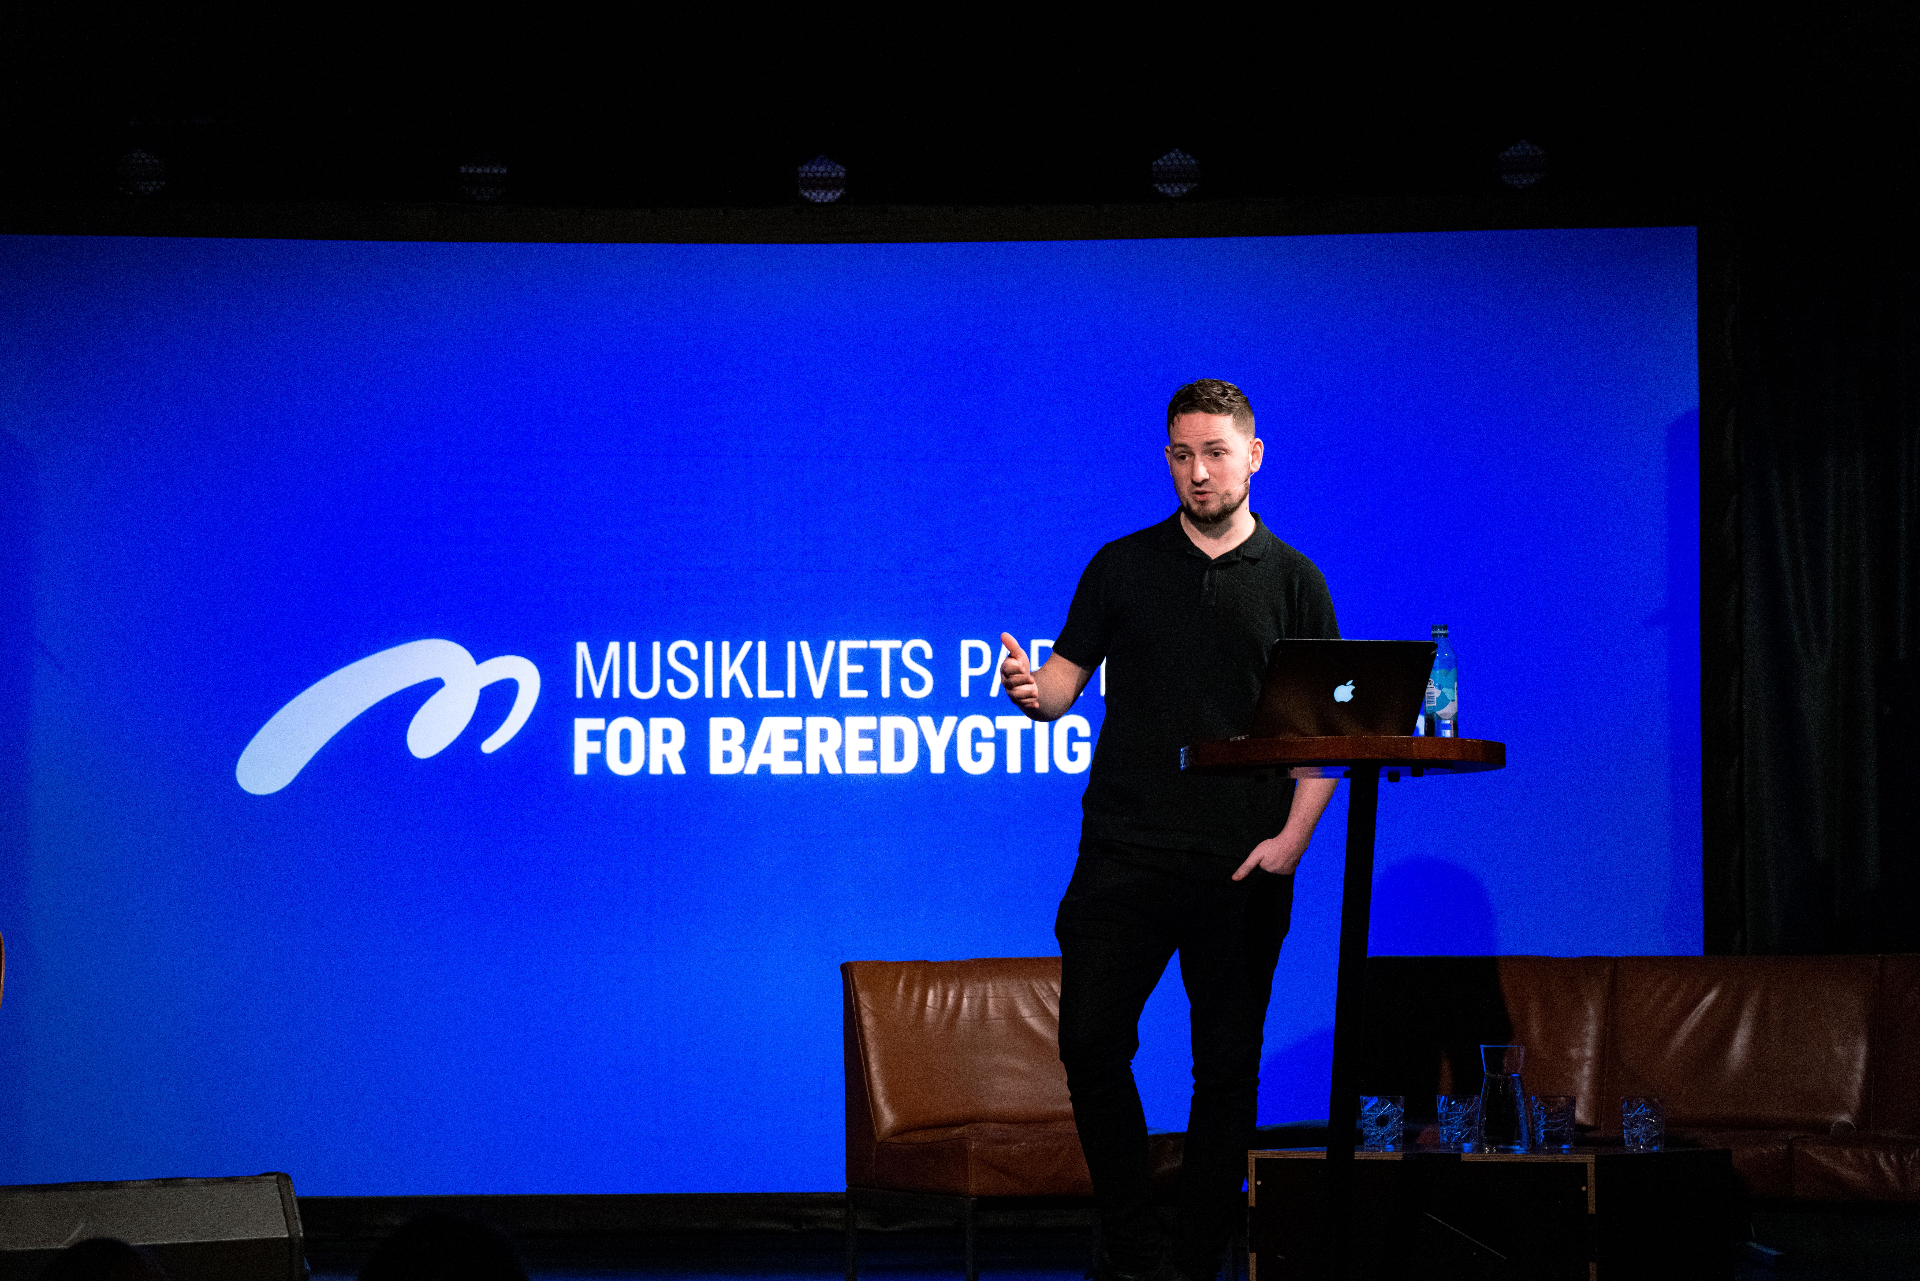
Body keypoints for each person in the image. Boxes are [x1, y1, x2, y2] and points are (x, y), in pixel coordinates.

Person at [999, 379, 1340, 1281]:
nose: (1199, 472)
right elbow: (1061, 688)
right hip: (1125, 853)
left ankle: (1195, 1260)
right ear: (1167, 459)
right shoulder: (1122, 564)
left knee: (1225, 1071)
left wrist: (1292, 842)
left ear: (1253, 456)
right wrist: (1031, 691)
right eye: (1183, 455)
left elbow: (1322, 743)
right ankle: (1135, 1244)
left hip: (1242, 864)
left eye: (1216, 453)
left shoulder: (1296, 581)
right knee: (1089, 1044)